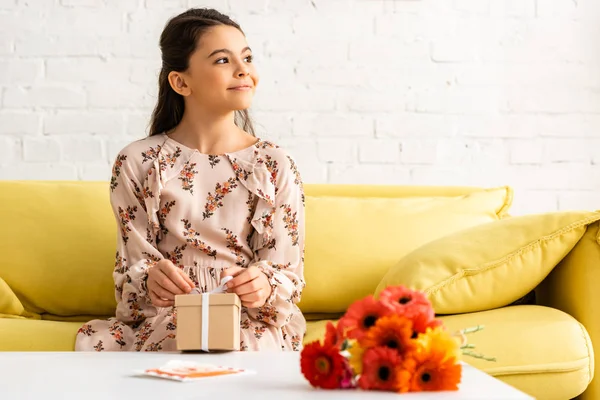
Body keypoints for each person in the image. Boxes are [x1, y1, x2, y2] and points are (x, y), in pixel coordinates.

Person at [75, 7, 306, 352]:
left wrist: (264, 285)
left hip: (247, 321)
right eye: (222, 60)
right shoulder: (139, 162)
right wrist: (151, 280)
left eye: (247, 57)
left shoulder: (274, 164)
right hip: (165, 318)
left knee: (242, 351)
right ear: (181, 82)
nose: (244, 70)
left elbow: (287, 272)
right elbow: (132, 267)